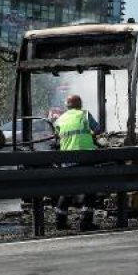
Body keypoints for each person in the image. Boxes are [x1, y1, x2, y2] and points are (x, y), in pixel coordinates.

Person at [53, 94, 101, 231]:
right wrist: (91, 136)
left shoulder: (60, 119)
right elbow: (98, 129)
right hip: (85, 159)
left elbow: (57, 138)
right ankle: (85, 222)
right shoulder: (85, 114)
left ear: (67, 106)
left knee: (68, 190)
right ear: (80, 104)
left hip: (67, 161)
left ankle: (60, 222)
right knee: (90, 189)